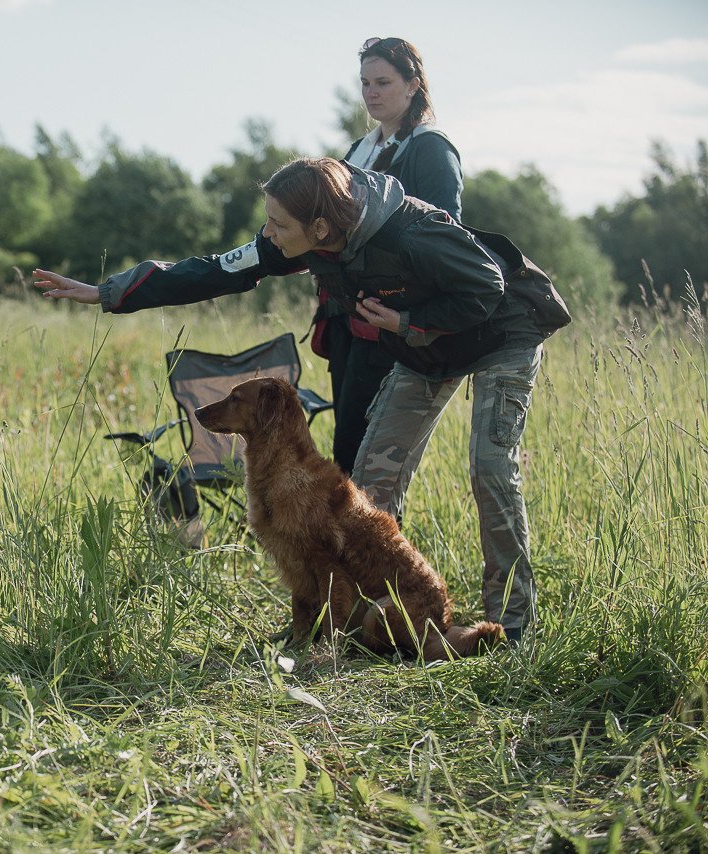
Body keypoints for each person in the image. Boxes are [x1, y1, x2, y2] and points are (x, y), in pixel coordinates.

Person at [34, 157, 569, 643]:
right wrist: (107, 292)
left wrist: (407, 322)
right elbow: (216, 269)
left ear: (320, 227)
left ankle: (513, 628)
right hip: (424, 349)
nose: (268, 234)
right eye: (268, 221)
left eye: (277, 224)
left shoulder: (412, 231)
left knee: (491, 467)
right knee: (370, 484)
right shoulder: (303, 237)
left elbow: (488, 285)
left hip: (502, 333)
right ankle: (363, 624)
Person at [319, 36, 463, 474]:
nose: (371, 94)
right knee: (345, 450)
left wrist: (404, 313)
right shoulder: (358, 151)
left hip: (393, 326)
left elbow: (448, 241)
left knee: (370, 460)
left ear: (413, 85)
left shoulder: (431, 149)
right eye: (365, 83)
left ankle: (377, 544)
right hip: (347, 317)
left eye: (382, 82)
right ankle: (352, 544)